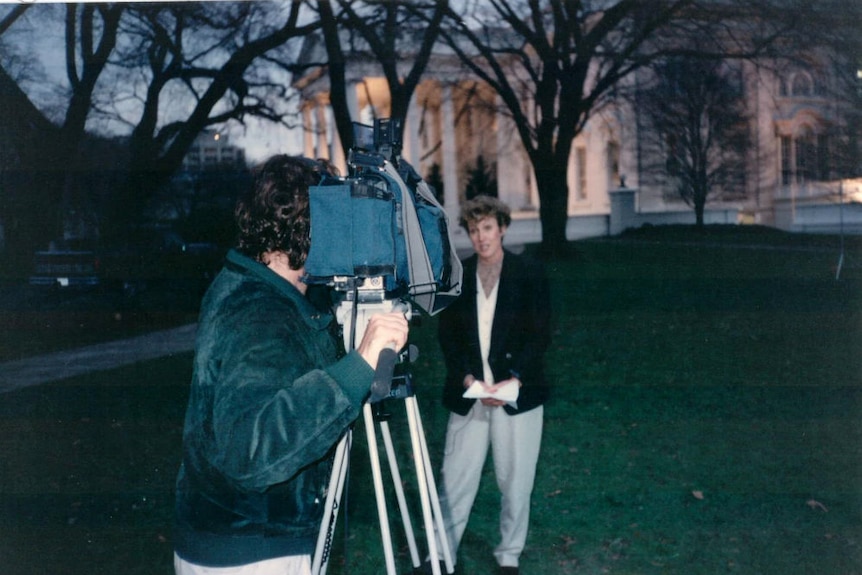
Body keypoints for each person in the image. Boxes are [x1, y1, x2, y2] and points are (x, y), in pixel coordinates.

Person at [173, 155, 409, 575]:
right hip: (252, 548)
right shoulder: (258, 313)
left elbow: (284, 376)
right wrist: (357, 368)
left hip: (241, 535)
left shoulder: (254, 287)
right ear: (306, 230)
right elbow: (252, 450)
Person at [435, 195, 551, 575]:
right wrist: (467, 376)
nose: (481, 237)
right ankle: (441, 554)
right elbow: (449, 337)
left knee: (515, 480)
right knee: (455, 478)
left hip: (516, 396)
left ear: (501, 227)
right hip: (470, 394)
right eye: (473, 229)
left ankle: (509, 555)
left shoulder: (528, 274)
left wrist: (515, 379)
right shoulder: (459, 275)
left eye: (487, 228)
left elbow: (540, 334)